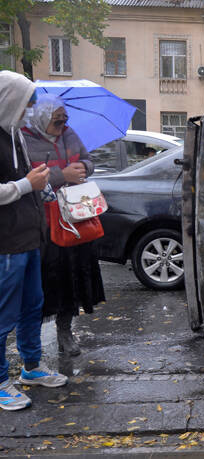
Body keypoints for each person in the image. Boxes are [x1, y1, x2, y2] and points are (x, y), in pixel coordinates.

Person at [0, 71, 68, 411]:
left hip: (29, 237)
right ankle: (0, 382)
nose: (29, 110)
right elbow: (14, 186)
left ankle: (31, 367)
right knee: (2, 315)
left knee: (32, 307)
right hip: (5, 245)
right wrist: (27, 185)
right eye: (25, 104)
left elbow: (26, 181)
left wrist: (44, 188)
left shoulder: (16, 137)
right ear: (10, 101)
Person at [22, 93, 105, 357]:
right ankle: (31, 344)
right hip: (43, 224)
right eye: (57, 121)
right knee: (45, 281)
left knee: (73, 277)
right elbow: (24, 181)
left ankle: (64, 331)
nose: (62, 126)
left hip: (75, 217)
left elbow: (89, 161)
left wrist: (83, 167)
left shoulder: (69, 135)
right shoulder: (24, 140)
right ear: (41, 118)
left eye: (64, 120)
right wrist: (61, 175)